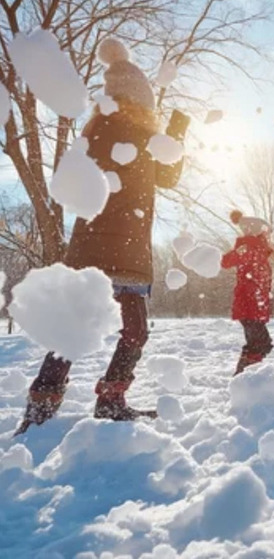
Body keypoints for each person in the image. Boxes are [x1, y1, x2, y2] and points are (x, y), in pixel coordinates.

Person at [15, 38, 185, 435]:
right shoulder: (126, 133)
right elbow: (166, 174)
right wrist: (171, 132)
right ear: (136, 99)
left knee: (78, 328)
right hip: (118, 247)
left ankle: (48, 406)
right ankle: (101, 400)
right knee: (132, 331)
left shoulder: (108, 132)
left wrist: (170, 134)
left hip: (103, 245)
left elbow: (162, 176)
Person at [222, 211, 274, 375]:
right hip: (251, 305)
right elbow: (225, 262)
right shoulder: (252, 247)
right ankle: (244, 376)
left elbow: (226, 262)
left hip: (252, 305)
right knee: (260, 344)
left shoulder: (251, 248)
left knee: (260, 344)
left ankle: (245, 374)